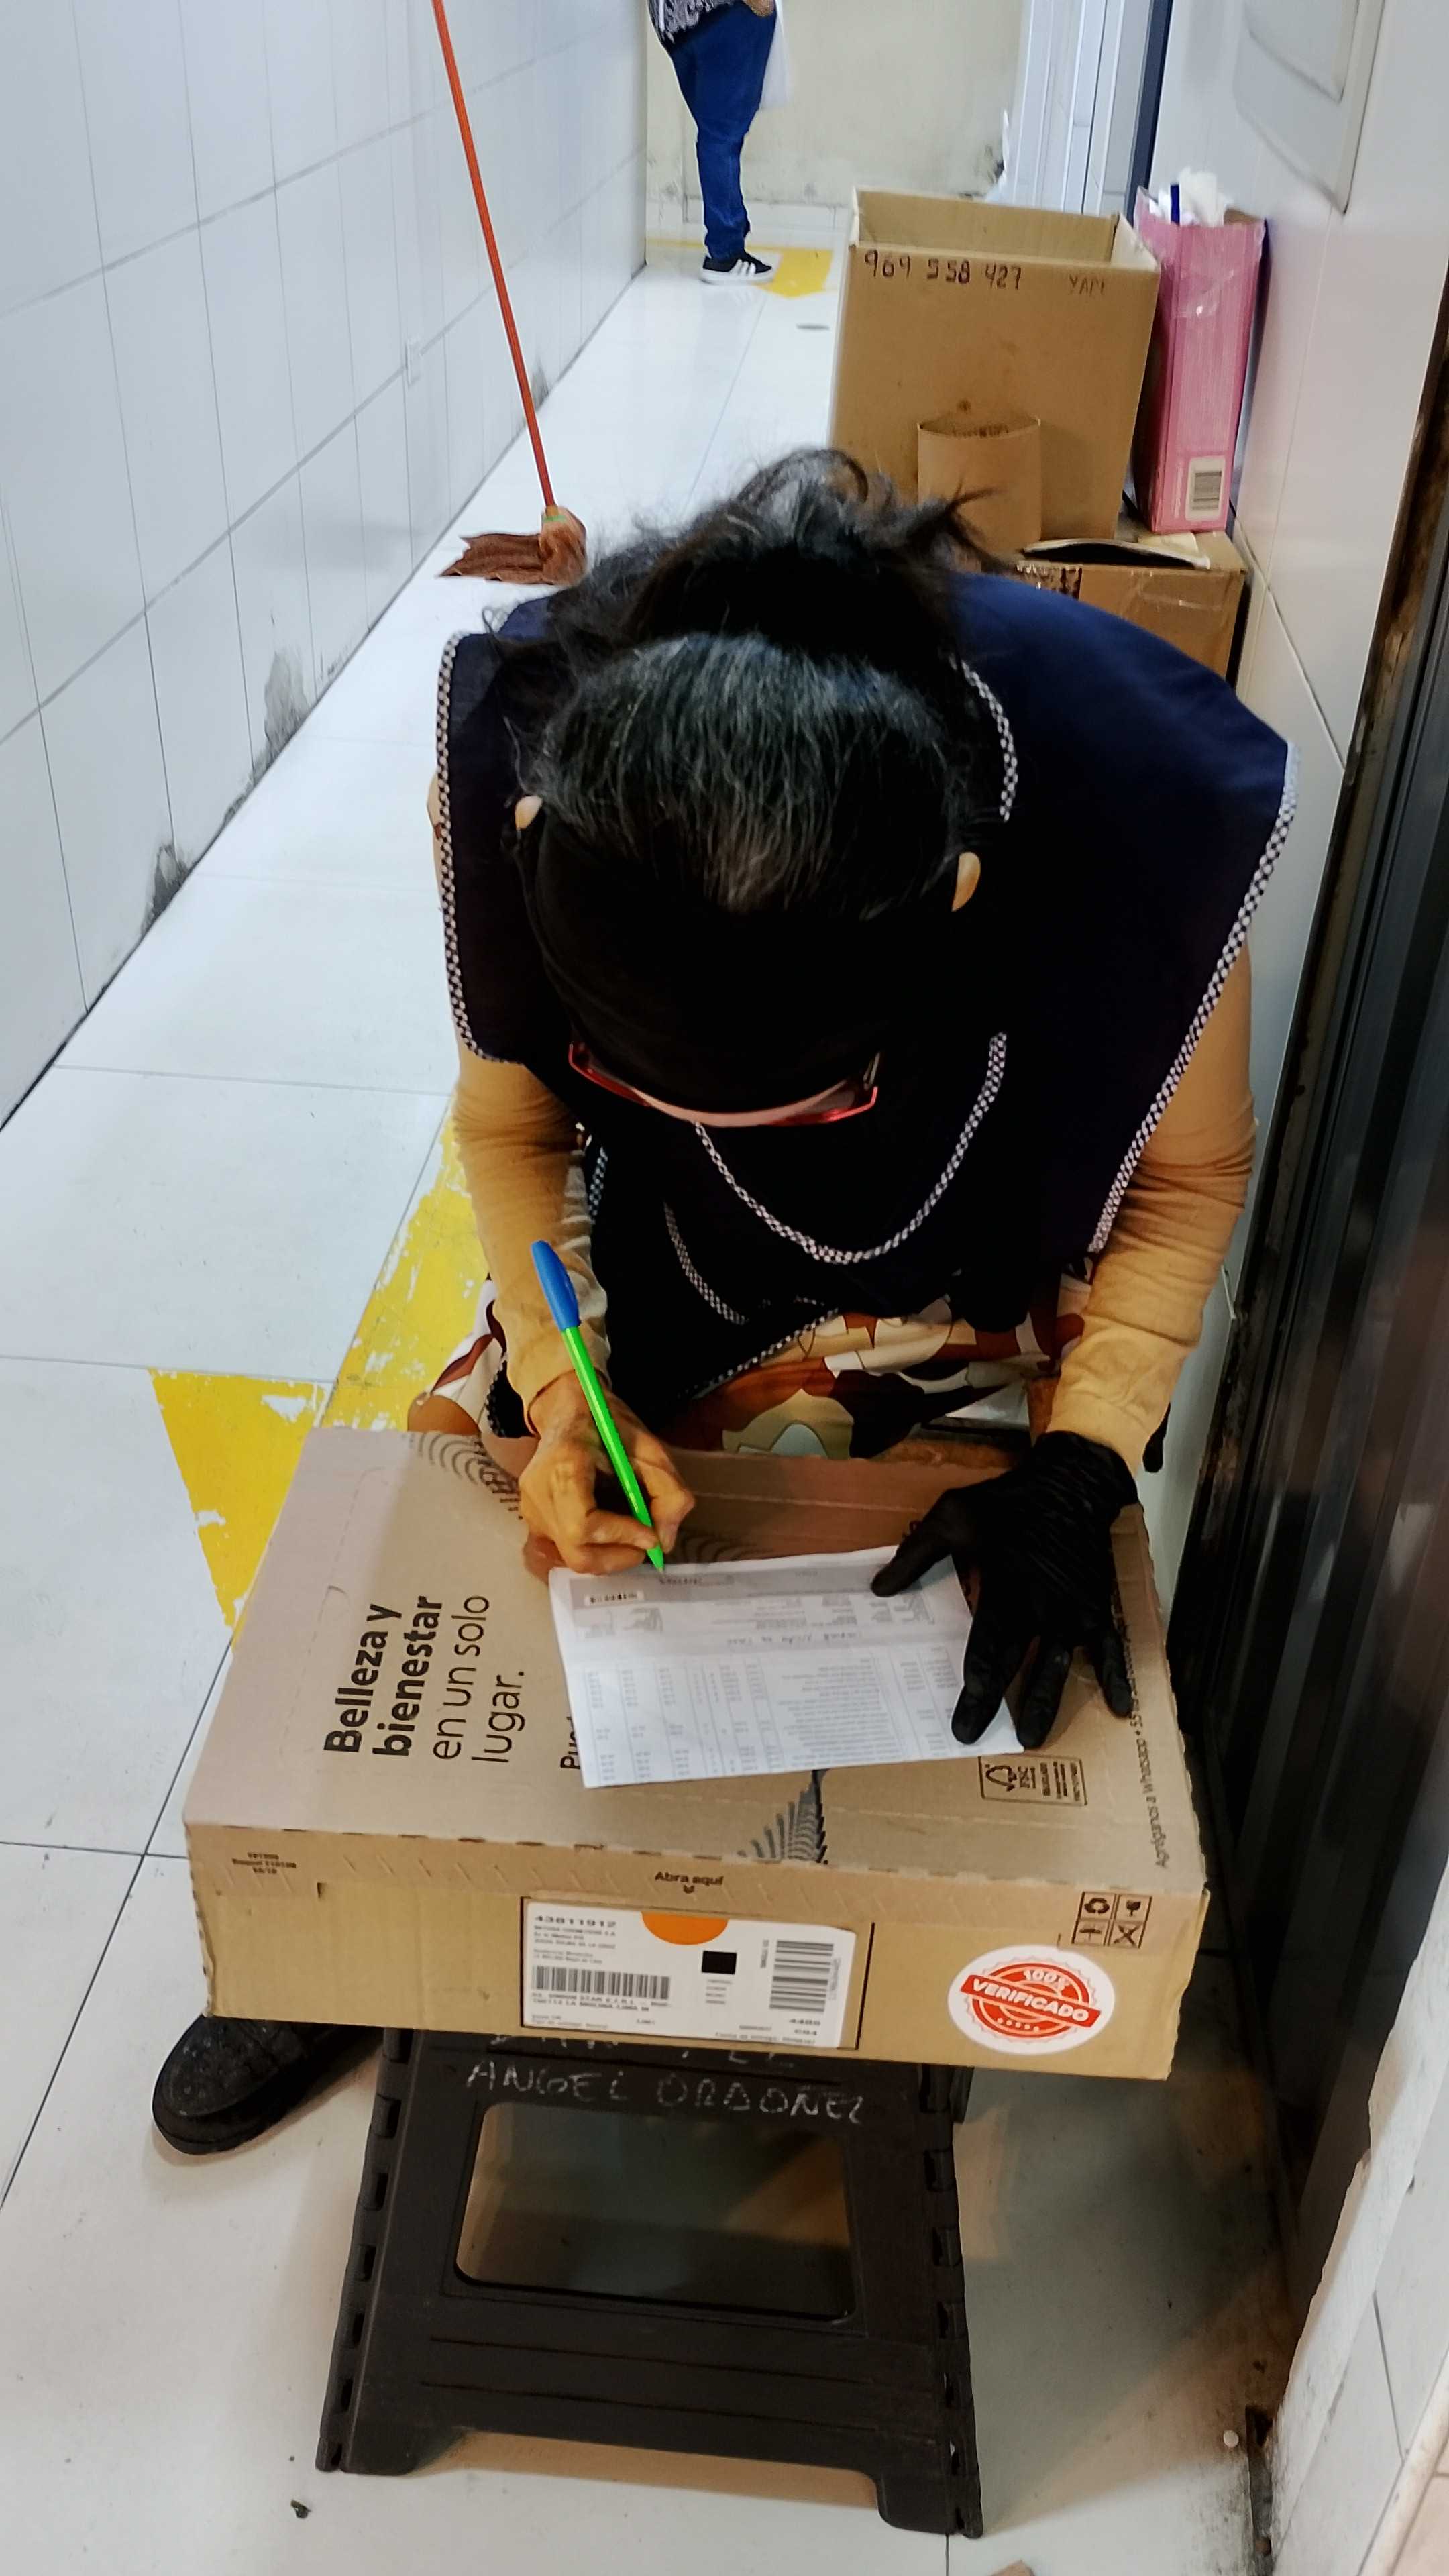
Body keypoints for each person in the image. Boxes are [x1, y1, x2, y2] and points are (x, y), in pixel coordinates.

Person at [152, 453, 1294, 2151]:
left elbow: (1187, 1183)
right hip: (658, 1230)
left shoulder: (1131, 817)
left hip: (971, 1258)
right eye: (638, 1068)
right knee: (464, 1502)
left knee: (954, 1638)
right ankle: (364, 1897)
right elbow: (517, 1126)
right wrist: (564, 1397)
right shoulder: (529, 765)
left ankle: (886, 1928)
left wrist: (1082, 1458)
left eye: (810, 1092)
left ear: (950, 907)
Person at [650, 0, 780, 281]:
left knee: (716, 133)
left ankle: (728, 241)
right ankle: (725, 252)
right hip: (725, 15)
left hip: (674, 24)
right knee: (722, 136)